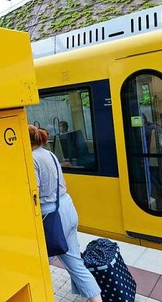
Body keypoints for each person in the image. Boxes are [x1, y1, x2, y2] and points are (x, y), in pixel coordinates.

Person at [28, 125, 103, 302]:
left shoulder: (31, 159)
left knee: (38, 261)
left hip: (53, 216)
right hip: (68, 207)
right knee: (74, 262)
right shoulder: (50, 154)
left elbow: (34, 193)